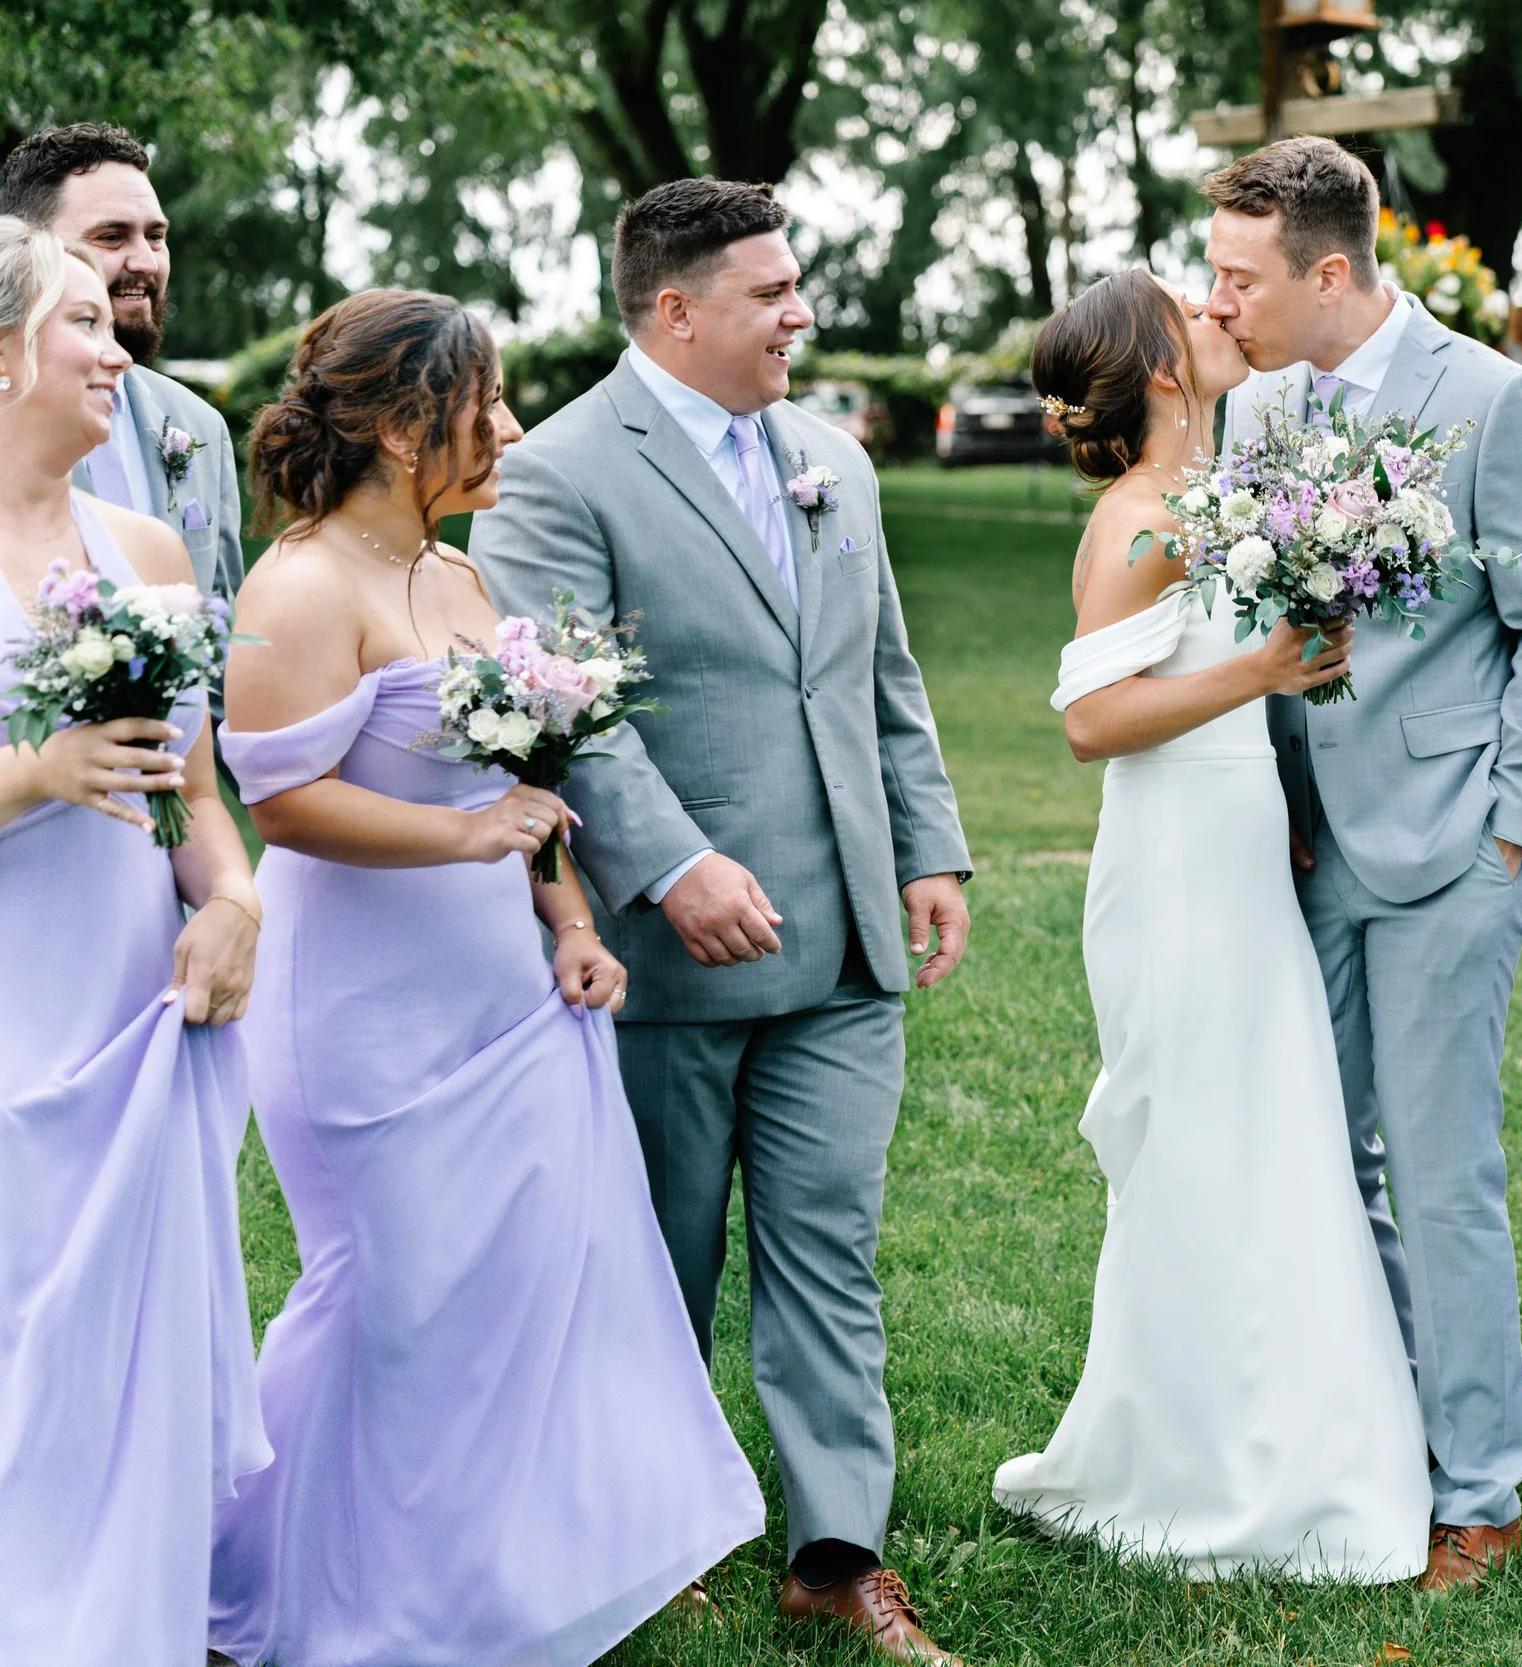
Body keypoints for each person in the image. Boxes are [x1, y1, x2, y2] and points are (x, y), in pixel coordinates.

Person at [207, 288, 765, 1666]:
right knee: (382, 1294)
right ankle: (244, 1582)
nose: (510, 426)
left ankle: (457, 1587)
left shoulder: (462, 577)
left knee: (493, 1297)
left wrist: (570, 919)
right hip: (355, 1005)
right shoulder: (297, 585)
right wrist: (466, 833)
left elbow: (529, 777)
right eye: (486, 403)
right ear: (404, 428)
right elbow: (279, 801)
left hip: (500, 996)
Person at [468, 177, 973, 1663]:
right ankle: (647, 1531)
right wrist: (672, 865)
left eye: (797, 283)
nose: (802, 312)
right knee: (659, 1252)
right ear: (677, 311)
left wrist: (930, 845)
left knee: (831, 1241)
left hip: (841, 949)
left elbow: (883, 671)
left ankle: (838, 1548)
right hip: (662, 954)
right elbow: (569, 708)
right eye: (773, 291)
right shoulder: (557, 473)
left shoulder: (833, 457)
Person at [1202, 136, 1522, 1592]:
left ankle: (1480, 1483)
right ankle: (1371, 1434)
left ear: (1328, 271)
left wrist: (1514, 825)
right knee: (1321, 1159)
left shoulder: (1495, 404)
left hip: (1451, 844)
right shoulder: (1254, 411)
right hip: (1303, 844)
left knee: (1439, 1172)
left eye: (1239, 276)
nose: (1218, 301)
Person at [990, 269, 1431, 1580]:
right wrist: (1262, 666)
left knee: (1265, 1132)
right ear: (1164, 371)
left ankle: (1277, 1431)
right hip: (1176, 875)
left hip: (1237, 850)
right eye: (1195, 309)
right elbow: (1089, 721)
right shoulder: (1145, 522)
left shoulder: (1214, 502)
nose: (1220, 312)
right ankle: (1205, 1457)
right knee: (1206, 1143)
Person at [0, 218, 266, 1665]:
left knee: (123, 1364)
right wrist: (34, 774)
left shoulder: (149, 551)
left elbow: (199, 802)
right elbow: (60, 773)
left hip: (126, 1011)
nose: (118, 350)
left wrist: (231, 901)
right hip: (6, 1013)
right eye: (81, 324)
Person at [0, 125, 245, 608]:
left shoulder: (200, 426)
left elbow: (221, 635)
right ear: (30, 245)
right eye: (112, 237)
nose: (146, 262)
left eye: (156, 236)